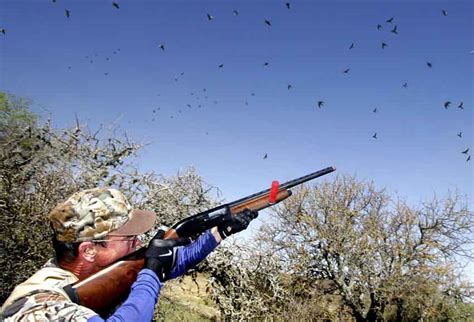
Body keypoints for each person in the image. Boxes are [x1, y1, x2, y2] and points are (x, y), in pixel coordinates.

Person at [1, 187, 257, 321]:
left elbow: (179, 261)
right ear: (89, 250)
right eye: (129, 238)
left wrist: (221, 231)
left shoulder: (101, 273)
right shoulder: (35, 307)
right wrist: (151, 273)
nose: (139, 242)